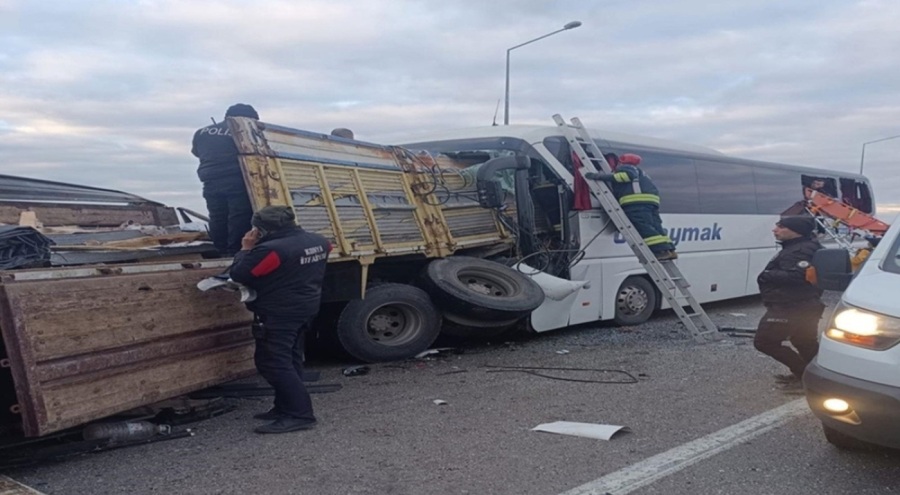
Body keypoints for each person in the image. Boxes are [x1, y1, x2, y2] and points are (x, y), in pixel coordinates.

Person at [229, 205, 331, 434]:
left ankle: (299, 414)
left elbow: (239, 274)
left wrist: (245, 249)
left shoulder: (271, 250)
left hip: (279, 312)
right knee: (291, 357)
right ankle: (284, 406)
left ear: (261, 229)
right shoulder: (320, 241)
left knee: (273, 362)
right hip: (305, 307)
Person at [753, 215, 825, 390]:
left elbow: (797, 276)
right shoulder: (799, 247)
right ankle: (818, 378)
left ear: (796, 231)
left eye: (781, 226)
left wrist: (766, 275)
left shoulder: (800, 251)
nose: (775, 229)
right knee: (804, 341)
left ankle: (804, 375)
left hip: (791, 306)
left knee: (764, 342)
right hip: (803, 305)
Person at [192, 104, 259, 256]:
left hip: (210, 179)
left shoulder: (201, 132)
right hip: (235, 178)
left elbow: (197, 152)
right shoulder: (243, 129)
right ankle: (235, 252)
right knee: (239, 215)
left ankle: (220, 249)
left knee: (217, 215)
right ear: (246, 118)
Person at [584, 153, 677, 260]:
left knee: (643, 227)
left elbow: (626, 176)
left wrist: (598, 176)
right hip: (650, 202)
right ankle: (670, 250)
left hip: (636, 203)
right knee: (656, 226)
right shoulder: (641, 172)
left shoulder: (626, 168)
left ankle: (660, 251)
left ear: (621, 162)